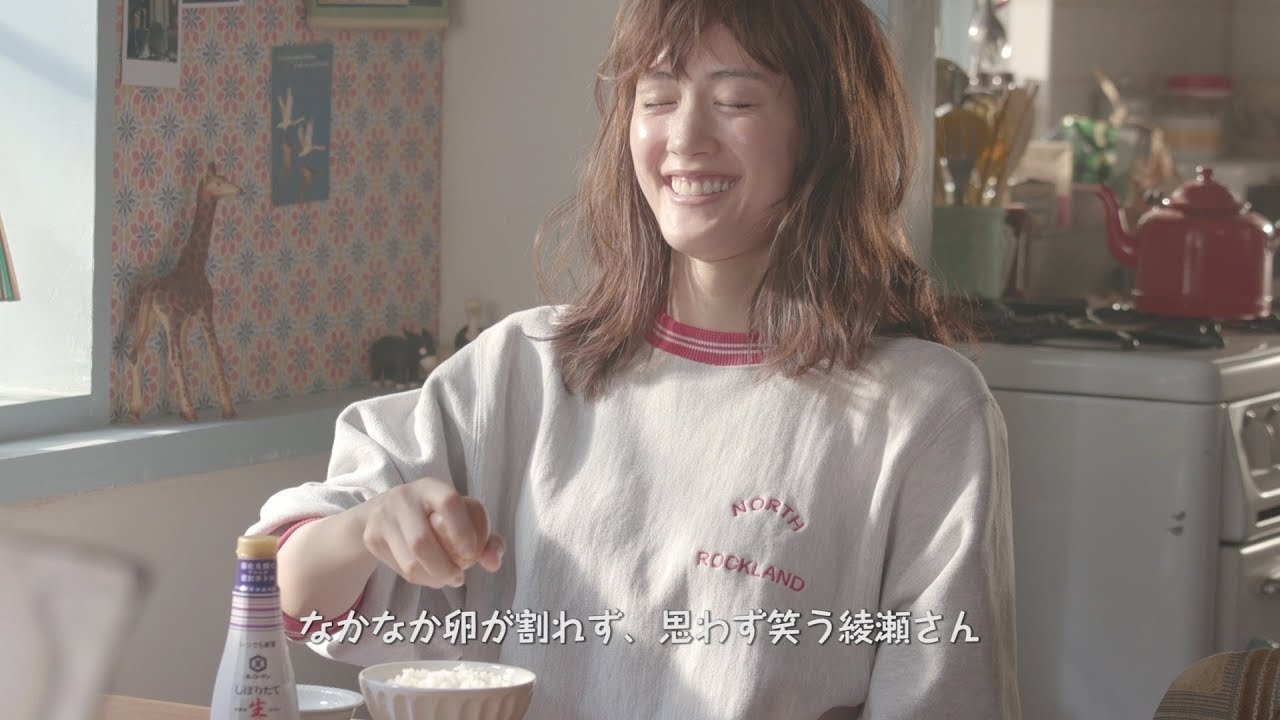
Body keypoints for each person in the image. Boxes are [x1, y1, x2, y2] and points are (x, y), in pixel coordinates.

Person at [249, 1, 1020, 718]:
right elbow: (291, 586)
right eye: (657, 97)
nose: (685, 137)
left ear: (829, 130)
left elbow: (946, 696)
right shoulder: (523, 369)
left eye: (736, 100)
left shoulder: (923, 411)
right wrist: (367, 529)